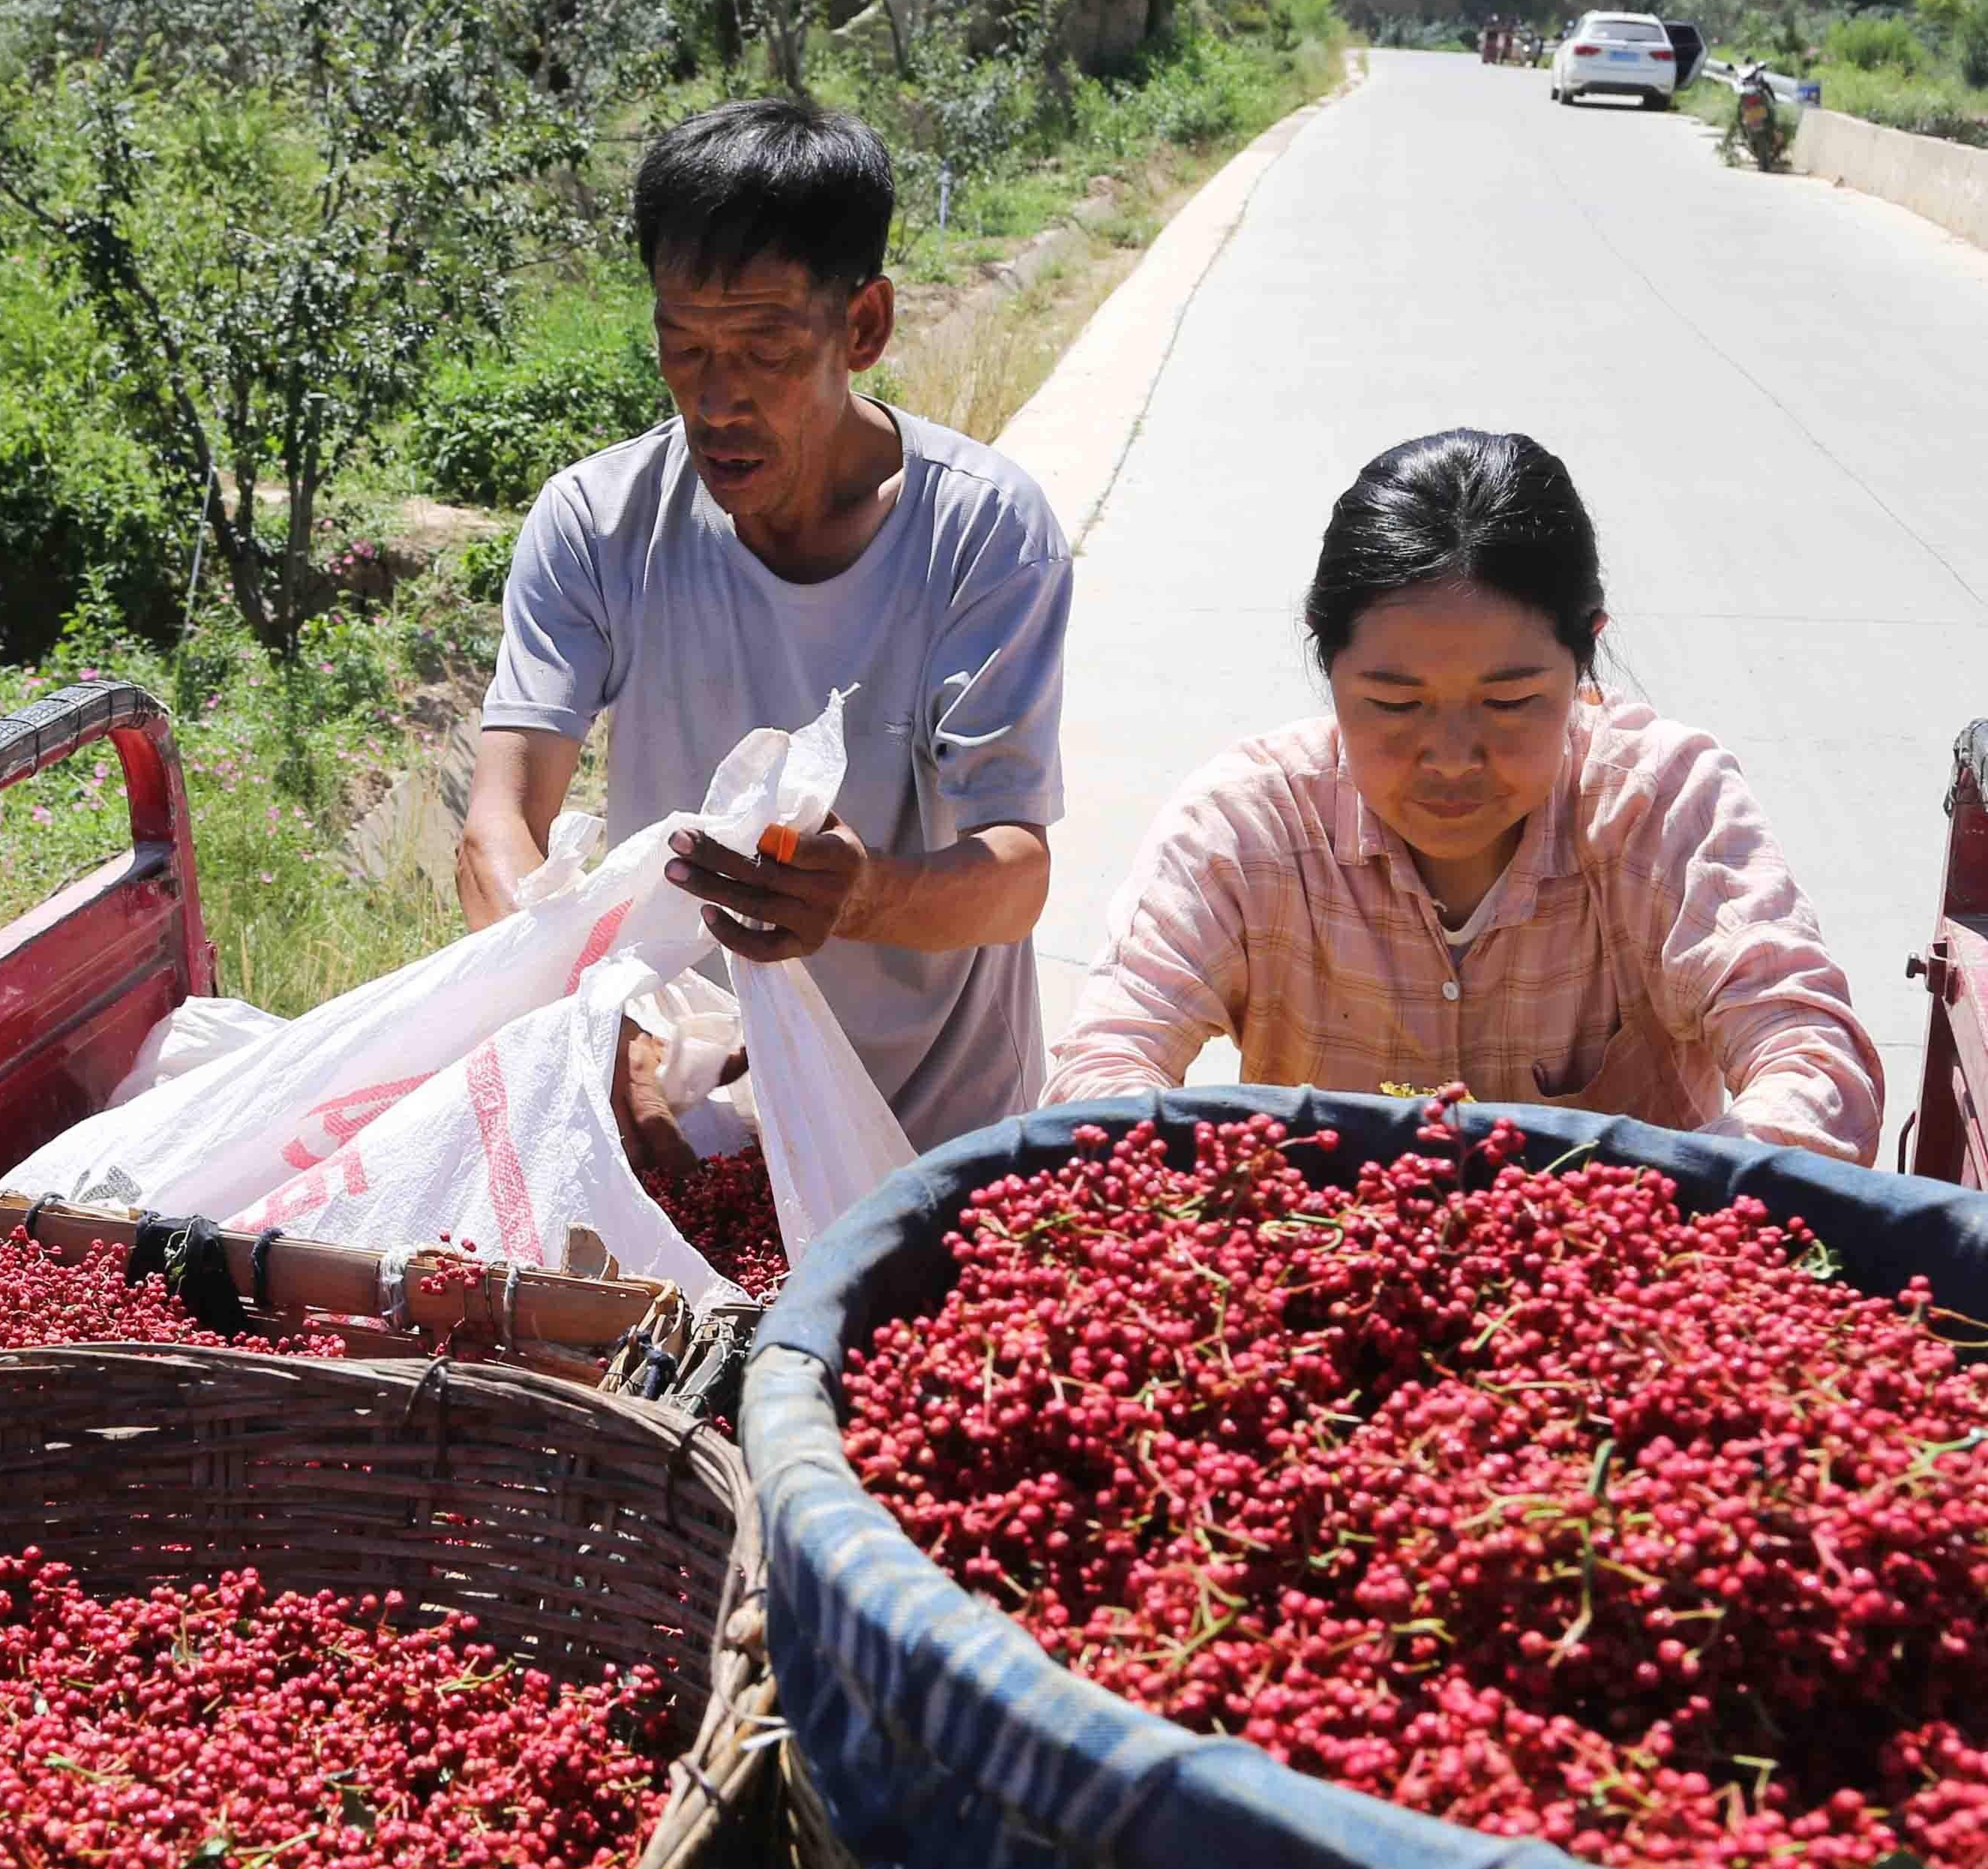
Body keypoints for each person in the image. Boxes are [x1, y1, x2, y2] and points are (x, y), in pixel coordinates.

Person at [464, 96, 1072, 1173]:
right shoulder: (598, 522)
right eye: (683, 346)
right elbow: (499, 824)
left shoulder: (982, 530)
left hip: (930, 1140)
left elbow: (1016, 875)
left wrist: (863, 895)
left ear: (865, 329)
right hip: (691, 1129)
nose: (718, 398)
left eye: (764, 349)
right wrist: (598, 1030)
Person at [1044, 427, 1880, 1158]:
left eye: (1510, 703)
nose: (1450, 759)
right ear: (1326, 663)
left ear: (1585, 658)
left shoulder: (1660, 803)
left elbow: (1808, 1058)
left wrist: (1657, 1211)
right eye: (1394, 705)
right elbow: (1106, 1062)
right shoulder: (1246, 826)